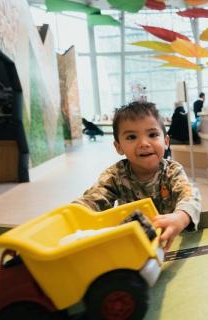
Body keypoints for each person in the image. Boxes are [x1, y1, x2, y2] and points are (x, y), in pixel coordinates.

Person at [74, 101, 201, 250]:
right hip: (132, 243)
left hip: (168, 239)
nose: (144, 143)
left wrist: (180, 217)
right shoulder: (115, 175)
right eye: (132, 137)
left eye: (153, 134)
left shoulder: (172, 171)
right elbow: (93, 198)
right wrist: (74, 214)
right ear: (119, 147)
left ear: (166, 141)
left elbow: (190, 195)